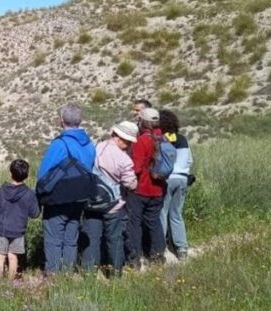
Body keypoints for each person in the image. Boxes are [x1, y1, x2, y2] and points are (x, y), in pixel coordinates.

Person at [36, 103, 95, 274]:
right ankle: (67, 273)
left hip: (58, 199)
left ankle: (53, 275)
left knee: (54, 238)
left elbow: (43, 174)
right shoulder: (89, 144)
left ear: (61, 121)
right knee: (71, 238)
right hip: (80, 198)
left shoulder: (60, 144)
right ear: (80, 120)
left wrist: (38, 197)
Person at [80, 122, 138, 275]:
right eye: (130, 141)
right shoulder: (123, 159)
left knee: (92, 240)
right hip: (114, 205)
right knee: (115, 240)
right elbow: (130, 184)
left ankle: (89, 273)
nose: (130, 145)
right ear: (122, 139)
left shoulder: (95, 148)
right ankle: (115, 274)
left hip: (91, 202)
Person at [127, 108, 166, 266]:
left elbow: (136, 167)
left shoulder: (142, 140)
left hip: (141, 188)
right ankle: (157, 256)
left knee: (134, 223)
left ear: (143, 121)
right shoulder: (163, 138)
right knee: (154, 221)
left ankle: (135, 258)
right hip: (158, 189)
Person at [0, 159, 40, 280]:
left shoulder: (2, 190)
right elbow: (35, 214)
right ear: (26, 176)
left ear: (10, 173)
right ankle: (10, 283)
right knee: (13, 257)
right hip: (18, 231)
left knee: (0, 257)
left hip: (1, 229)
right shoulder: (29, 193)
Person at [159, 110, 193, 259]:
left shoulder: (162, 140)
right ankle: (182, 248)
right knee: (176, 214)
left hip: (167, 179)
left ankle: (162, 248)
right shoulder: (183, 139)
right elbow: (189, 161)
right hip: (183, 179)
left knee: (162, 213)